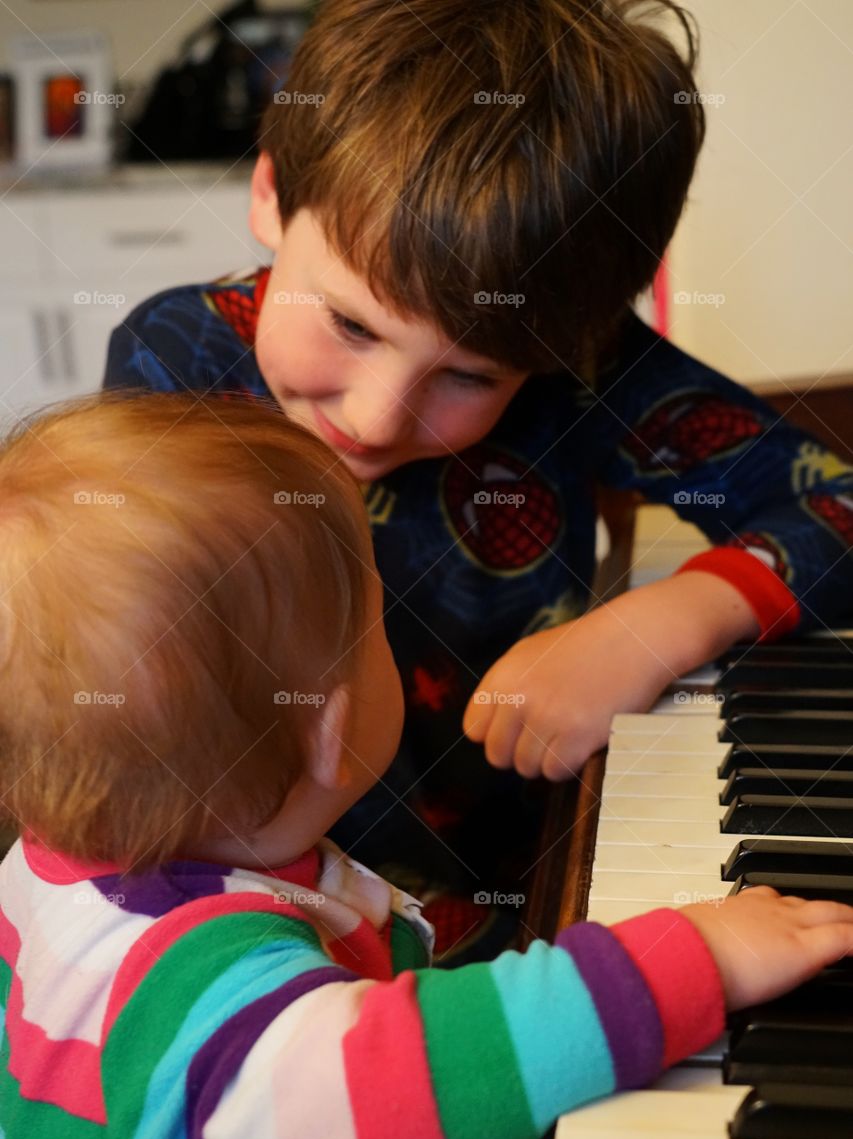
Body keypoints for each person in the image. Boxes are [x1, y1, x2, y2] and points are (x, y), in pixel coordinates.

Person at [0, 390, 851, 1139]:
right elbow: (407, 1079)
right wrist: (687, 962)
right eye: (377, 622)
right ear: (329, 728)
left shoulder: (43, 867)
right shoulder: (199, 997)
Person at [103, 0, 853, 952]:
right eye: (350, 325)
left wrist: (655, 624)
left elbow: (834, 502)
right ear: (270, 192)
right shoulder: (174, 358)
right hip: (236, 921)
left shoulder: (582, 375)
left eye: (468, 376)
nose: (374, 417)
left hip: (520, 907)